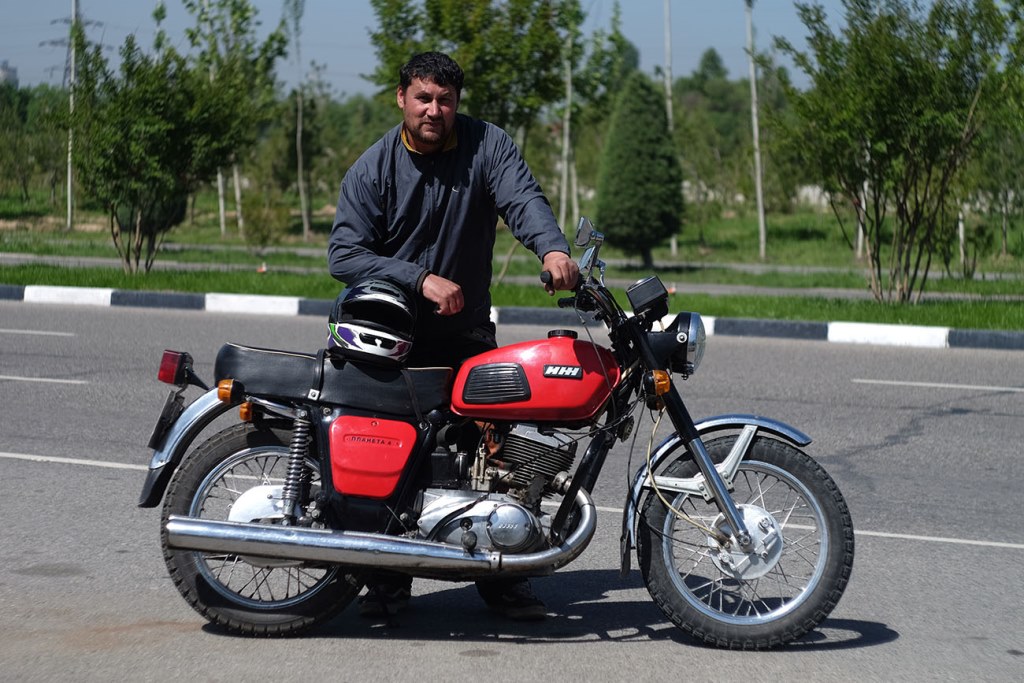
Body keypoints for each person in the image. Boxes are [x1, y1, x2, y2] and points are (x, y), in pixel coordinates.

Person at [328, 51, 579, 621]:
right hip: (390, 340)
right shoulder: (374, 168)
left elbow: (523, 199)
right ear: (402, 98)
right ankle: (385, 583)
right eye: (423, 98)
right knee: (392, 459)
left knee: (496, 453)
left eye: (444, 100)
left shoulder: (487, 145)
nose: (433, 110)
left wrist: (552, 249)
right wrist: (419, 279)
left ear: (457, 102)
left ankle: (504, 576)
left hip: (465, 333)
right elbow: (344, 254)